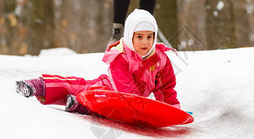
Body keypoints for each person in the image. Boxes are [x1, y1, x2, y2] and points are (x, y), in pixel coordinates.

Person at [16, 9, 180, 114]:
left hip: (130, 104)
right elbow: (126, 89)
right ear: (130, 37)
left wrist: (171, 111)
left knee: (106, 108)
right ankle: (39, 86)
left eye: (149, 37)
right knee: (80, 87)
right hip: (112, 88)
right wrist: (140, 108)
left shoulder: (160, 59)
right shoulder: (120, 56)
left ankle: (78, 104)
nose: (145, 42)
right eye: (139, 37)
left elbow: (166, 87)